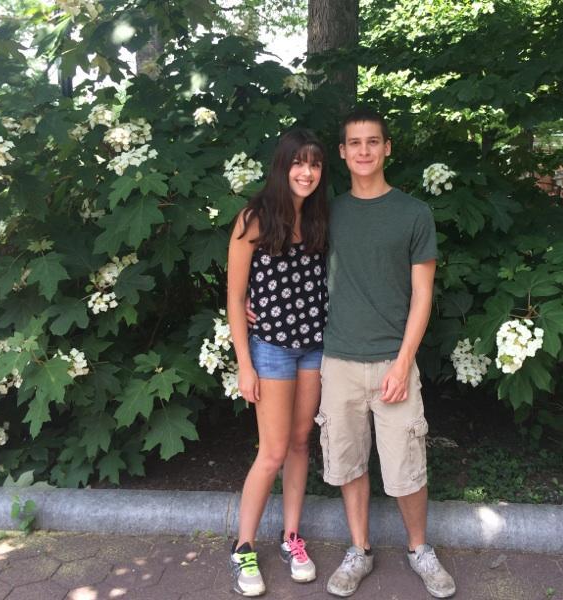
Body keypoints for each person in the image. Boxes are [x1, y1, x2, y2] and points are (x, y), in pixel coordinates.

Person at [318, 107, 456, 598]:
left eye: (373, 141)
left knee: (406, 467)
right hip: (338, 360)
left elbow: (423, 294)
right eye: (354, 143)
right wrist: (251, 302)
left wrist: (402, 362)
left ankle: (419, 549)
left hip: (394, 363)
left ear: (387, 148)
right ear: (342, 152)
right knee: (348, 463)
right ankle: (359, 550)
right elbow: (286, 260)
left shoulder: (414, 213)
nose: (364, 151)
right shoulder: (327, 212)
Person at [226, 128, 329, 597]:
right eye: (298, 163)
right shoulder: (254, 218)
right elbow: (235, 298)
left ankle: (291, 538)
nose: (307, 172)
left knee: (301, 442)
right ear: (282, 166)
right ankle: (243, 546)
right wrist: (244, 364)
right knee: (272, 451)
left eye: (315, 164)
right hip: (270, 347)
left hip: (314, 346)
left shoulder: (320, 218)